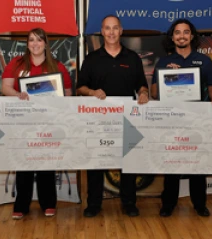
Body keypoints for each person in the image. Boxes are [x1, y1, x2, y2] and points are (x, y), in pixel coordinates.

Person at [77, 15, 149, 217]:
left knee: (128, 161)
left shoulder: (132, 58)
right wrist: (91, 92)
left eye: (115, 28)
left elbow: (141, 84)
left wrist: (143, 92)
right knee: (96, 161)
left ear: (121, 30)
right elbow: (80, 88)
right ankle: (94, 203)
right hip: (98, 119)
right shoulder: (92, 59)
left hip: (126, 118)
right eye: (107, 28)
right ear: (101, 31)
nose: (111, 32)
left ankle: (129, 202)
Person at [151, 19, 212, 217]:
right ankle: (168, 204)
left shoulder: (205, 61)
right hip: (172, 121)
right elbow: (155, 93)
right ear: (172, 37)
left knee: (197, 164)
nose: (181, 36)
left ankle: (200, 204)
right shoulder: (164, 62)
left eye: (185, 32)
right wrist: (169, 76)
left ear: (192, 36)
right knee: (172, 163)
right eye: (177, 32)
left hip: (196, 120)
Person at [1, 28, 72, 219]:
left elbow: (68, 93)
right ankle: (21, 206)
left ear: (45, 43)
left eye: (39, 40)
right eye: (31, 40)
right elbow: (5, 87)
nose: (35, 43)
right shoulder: (17, 64)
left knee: (46, 163)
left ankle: (48, 203)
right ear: (27, 43)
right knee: (24, 163)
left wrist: (57, 103)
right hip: (23, 123)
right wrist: (18, 95)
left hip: (49, 123)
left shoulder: (57, 66)